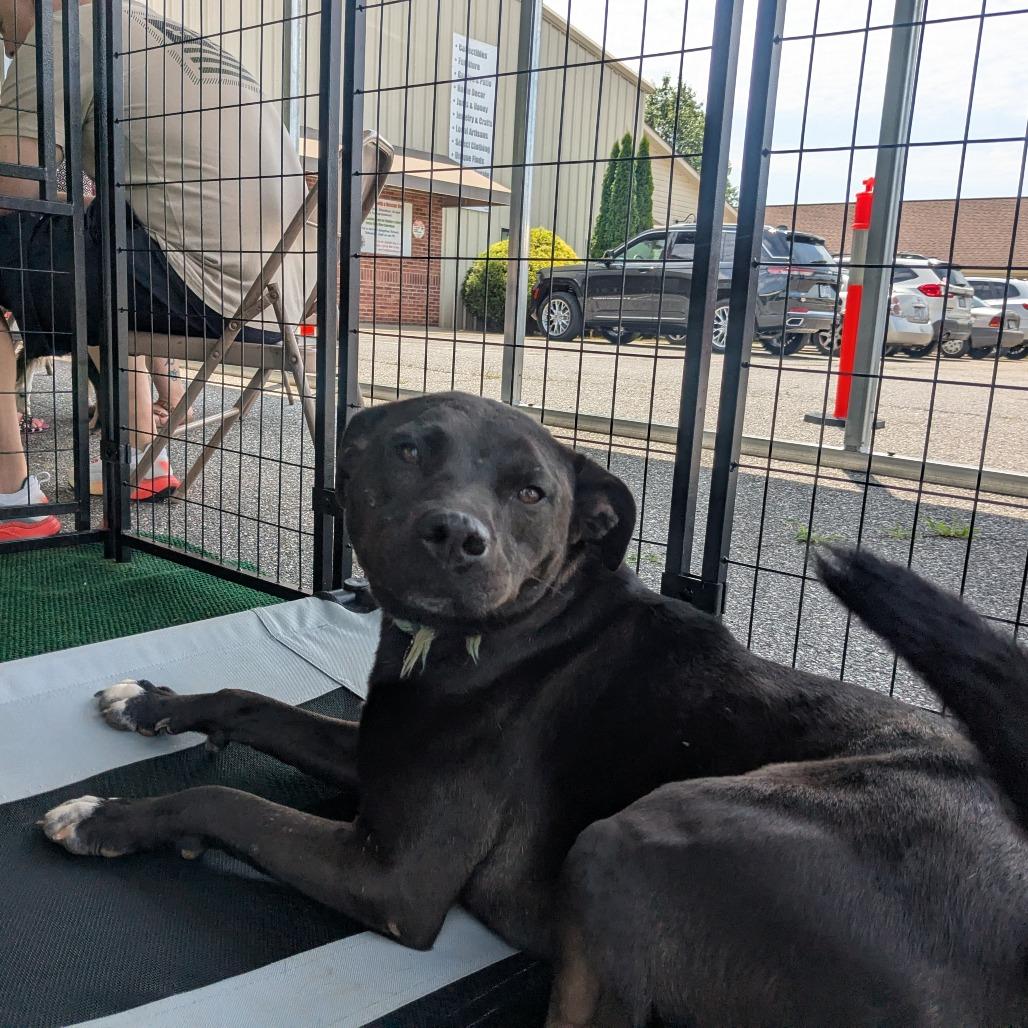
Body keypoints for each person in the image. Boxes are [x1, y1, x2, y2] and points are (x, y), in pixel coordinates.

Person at [0, 0, 310, 540]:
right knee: (102, 260)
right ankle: (140, 457)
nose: (6, 46)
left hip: (199, 285)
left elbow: (12, 188)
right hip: (279, 298)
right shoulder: (160, 32)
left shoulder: (59, 29)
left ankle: (10, 497)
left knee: (91, 256)